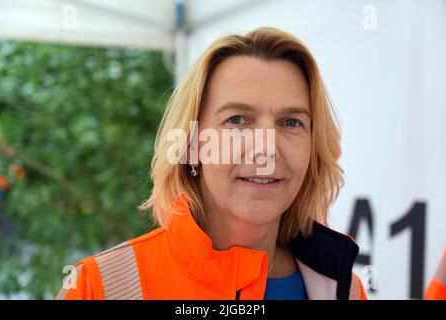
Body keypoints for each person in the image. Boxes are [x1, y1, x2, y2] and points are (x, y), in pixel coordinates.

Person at [56, 27, 367, 300]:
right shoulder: (103, 286)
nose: (266, 149)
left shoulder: (343, 290)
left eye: (291, 122)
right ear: (191, 144)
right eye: (237, 120)